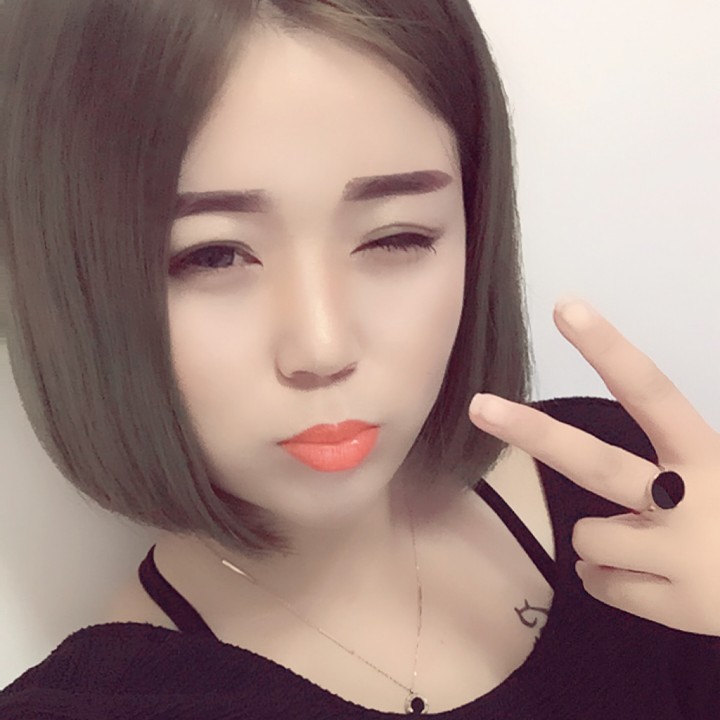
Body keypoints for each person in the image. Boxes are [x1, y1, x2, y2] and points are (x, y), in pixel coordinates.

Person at [0, 1, 718, 718]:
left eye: (394, 237)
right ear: (71, 282)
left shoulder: (640, 492)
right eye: (213, 255)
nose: (324, 347)